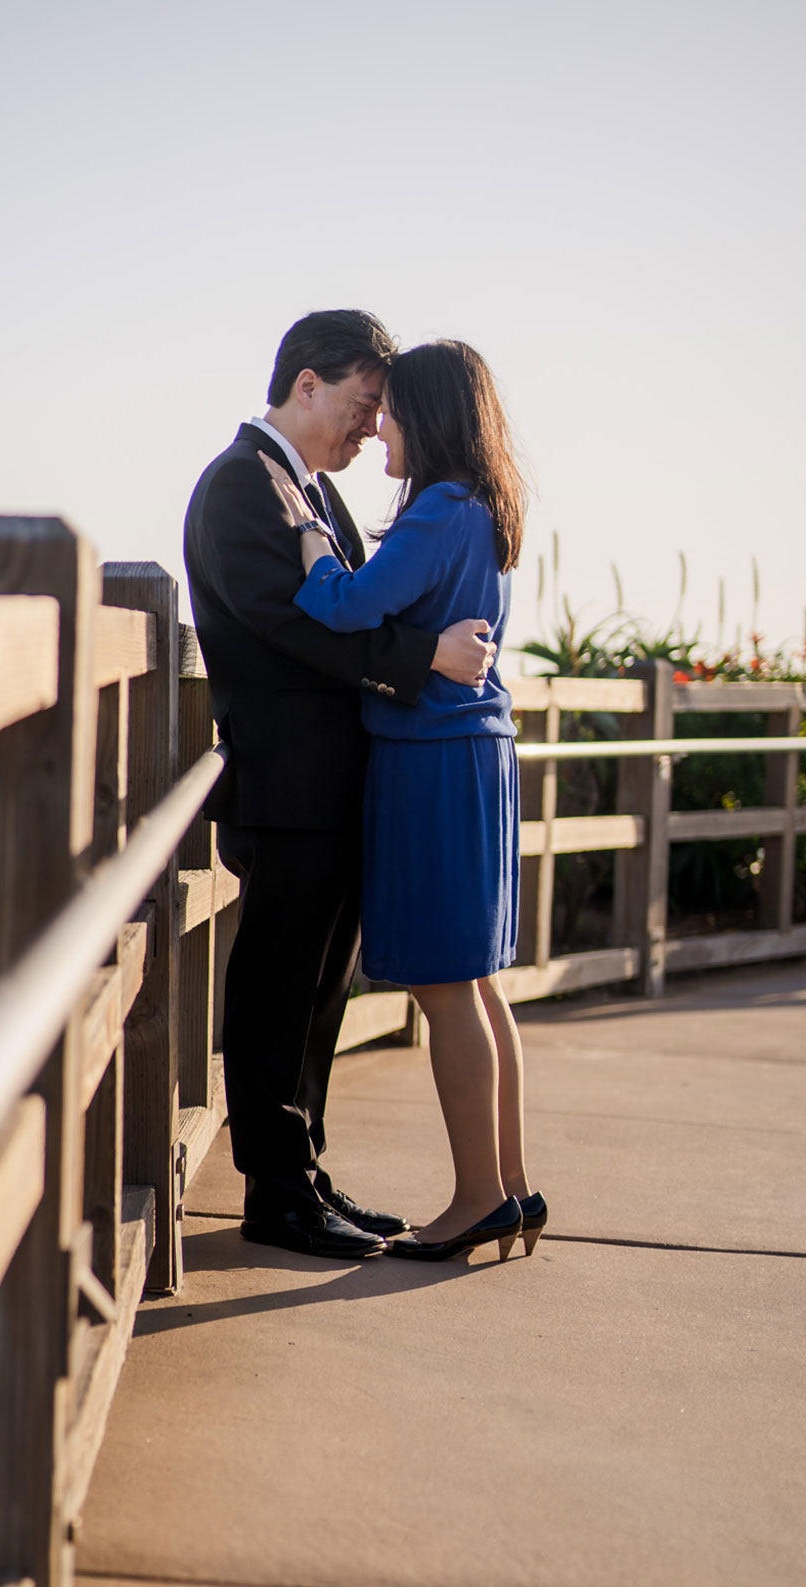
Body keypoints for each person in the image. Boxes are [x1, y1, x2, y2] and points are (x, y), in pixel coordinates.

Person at [183, 311, 498, 1261]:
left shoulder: (309, 491)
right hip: (288, 784)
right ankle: (273, 1191)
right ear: (307, 384)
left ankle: (306, 1173)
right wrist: (424, 658)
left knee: (323, 987)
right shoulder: (245, 485)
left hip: (336, 783)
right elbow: (294, 624)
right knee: (281, 982)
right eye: (363, 406)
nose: (373, 429)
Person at [273, 338, 543, 1261]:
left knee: (442, 985)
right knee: (476, 981)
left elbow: (346, 606)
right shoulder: (484, 510)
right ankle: (507, 1187)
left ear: (427, 416)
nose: (378, 423)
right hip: (479, 754)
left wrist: (312, 545)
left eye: (392, 409)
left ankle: (474, 1198)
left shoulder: (437, 510)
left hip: (433, 760)